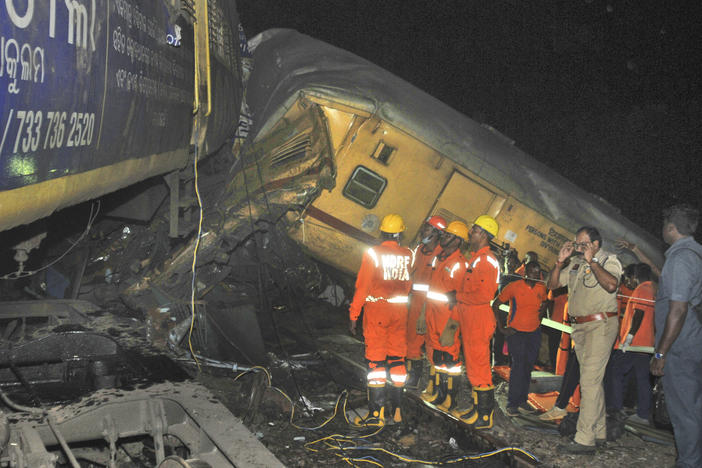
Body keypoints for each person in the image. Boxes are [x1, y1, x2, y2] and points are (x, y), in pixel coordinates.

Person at [547, 226, 622, 453]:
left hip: (601, 326)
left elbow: (611, 285)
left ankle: (584, 440)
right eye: (576, 244)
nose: (578, 248)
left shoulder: (609, 260)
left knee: (588, 381)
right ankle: (599, 431)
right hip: (579, 328)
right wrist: (560, 262)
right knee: (593, 381)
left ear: (596, 245)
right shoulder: (575, 264)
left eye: (583, 244)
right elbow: (552, 286)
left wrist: (593, 262)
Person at [650, 204, 702, 468]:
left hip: (681, 347)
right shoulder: (696, 255)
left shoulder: (681, 258)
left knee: (684, 411)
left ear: (671, 228)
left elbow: (678, 309)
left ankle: (689, 463)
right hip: (693, 342)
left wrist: (661, 352)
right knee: (693, 407)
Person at [349, 214, 412, 425]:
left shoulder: (373, 254)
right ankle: (397, 411)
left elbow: (363, 287)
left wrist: (353, 315)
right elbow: (408, 285)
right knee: (397, 359)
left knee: (376, 361)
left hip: (378, 311)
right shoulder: (407, 254)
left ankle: (376, 415)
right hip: (400, 311)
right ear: (400, 234)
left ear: (382, 232)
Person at [448, 215, 501, 429]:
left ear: (485, 235)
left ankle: (485, 416)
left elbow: (484, 295)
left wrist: (457, 296)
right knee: (473, 367)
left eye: (476, 230)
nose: (471, 233)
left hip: (479, 318)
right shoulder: (476, 258)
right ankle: (477, 408)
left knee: (480, 369)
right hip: (470, 317)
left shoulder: (487, 260)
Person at [420, 221, 469, 413]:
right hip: (433, 314)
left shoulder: (460, 264)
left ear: (458, 240)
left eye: (449, 235)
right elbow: (431, 288)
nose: (444, 237)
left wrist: (452, 326)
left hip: (447, 318)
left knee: (451, 362)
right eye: (445, 234)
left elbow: (461, 298)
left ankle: (451, 399)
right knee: (438, 358)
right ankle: (439, 393)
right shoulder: (440, 258)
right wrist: (423, 314)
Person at [494, 261, 548, 416]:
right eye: (532, 272)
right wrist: (501, 327)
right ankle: (512, 404)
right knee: (518, 367)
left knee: (527, 367)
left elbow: (545, 302)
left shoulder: (541, 288)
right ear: (525, 273)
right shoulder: (514, 287)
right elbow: (496, 304)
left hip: (533, 333)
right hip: (516, 332)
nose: (535, 275)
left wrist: (539, 318)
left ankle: (523, 401)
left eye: (537, 272)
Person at [605, 263, 655, 425]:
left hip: (634, 343)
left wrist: (629, 337)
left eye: (628, 278)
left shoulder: (642, 290)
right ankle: (642, 414)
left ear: (635, 277)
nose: (628, 282)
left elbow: (639, 314)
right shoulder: (652, 290)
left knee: (616, 373)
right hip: (644, 344)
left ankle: (616, 408)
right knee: (642, 379)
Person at [406, 215, 447, 388]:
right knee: (410, 340)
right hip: (414, 301)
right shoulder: (419, 249)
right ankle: (412, 378)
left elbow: (435, 287)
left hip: (428, 305)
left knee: (427, 344)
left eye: (428, 228)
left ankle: (432, 384)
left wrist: (423, 313)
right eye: (425, 226)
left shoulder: (440, 256)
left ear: (437, 233)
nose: (424, 230)